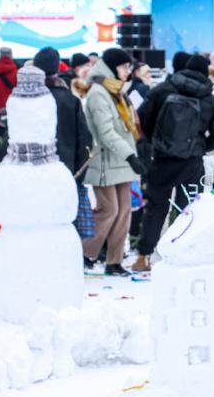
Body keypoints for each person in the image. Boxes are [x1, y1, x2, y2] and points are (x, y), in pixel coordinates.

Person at [133, 55, 214, 271]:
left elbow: (143, 117)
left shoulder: (163, 89)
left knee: (156, 207)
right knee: (189, 209)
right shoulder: (208, 98)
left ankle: (143, 256)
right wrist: (202, 146)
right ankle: (184, 253)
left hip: (162, 159)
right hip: (191, 161)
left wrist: (155, 141)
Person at [82, 48, 144, 276]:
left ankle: (114, 261)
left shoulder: (118, 91)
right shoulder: (99, 93)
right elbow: (106, 133)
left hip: (123, 160)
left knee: (124, 211)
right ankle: (83, 252)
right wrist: (130, 156)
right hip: (106, 161)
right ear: (111, 67)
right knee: (109, 210)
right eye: (124, 67)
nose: (128, 71)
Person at [34, 47, 95, 239]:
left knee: (36, 223)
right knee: (62, 225)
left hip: (31, 173)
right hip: (64, 172)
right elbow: (85, 140)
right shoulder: (69, 99)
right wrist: (78, 174)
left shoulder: (26, 98)